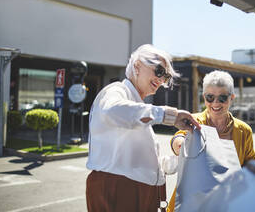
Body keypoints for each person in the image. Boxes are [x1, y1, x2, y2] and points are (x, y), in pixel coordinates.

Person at [86, 44, 200, 212]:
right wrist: (170, 116)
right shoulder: (116, 90)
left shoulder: (138, 107)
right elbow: (112, 111)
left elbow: (139, 160)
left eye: (166, 77)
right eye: (159, 71)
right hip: (120, 189)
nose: (161, 81)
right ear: (138, 66)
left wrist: (179, 160)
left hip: (138, 191)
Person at [167, 70, 255, 212]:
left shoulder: (244, 130)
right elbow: (178, 137)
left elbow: (250, 161)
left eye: (222, 98)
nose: (215, 103)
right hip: (192, 201)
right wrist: (179, 144)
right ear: (204, 98)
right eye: (210, 97)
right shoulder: (194, 121)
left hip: (226, 202)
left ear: (232, 97)